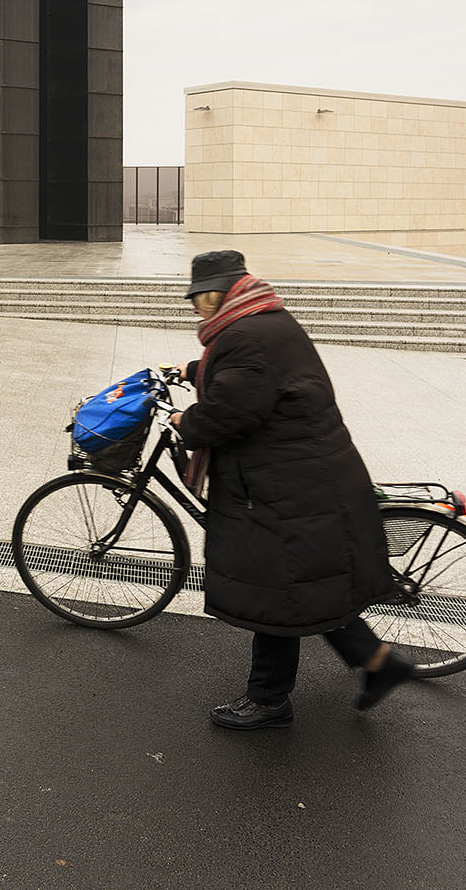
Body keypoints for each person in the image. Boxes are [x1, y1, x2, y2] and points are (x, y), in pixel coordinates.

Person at [170, 249, 413, 730]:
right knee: (306, 585)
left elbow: (231, 411)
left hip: (285, 486)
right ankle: (381, 664)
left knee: (275, 589)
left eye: (199, 299)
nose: (197, 308)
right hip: (309, 474)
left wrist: (187, 421)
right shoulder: (265, 318)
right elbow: (256, 380)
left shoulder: (243, 336)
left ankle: (268, 699)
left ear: (215, 294)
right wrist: (194, 371)